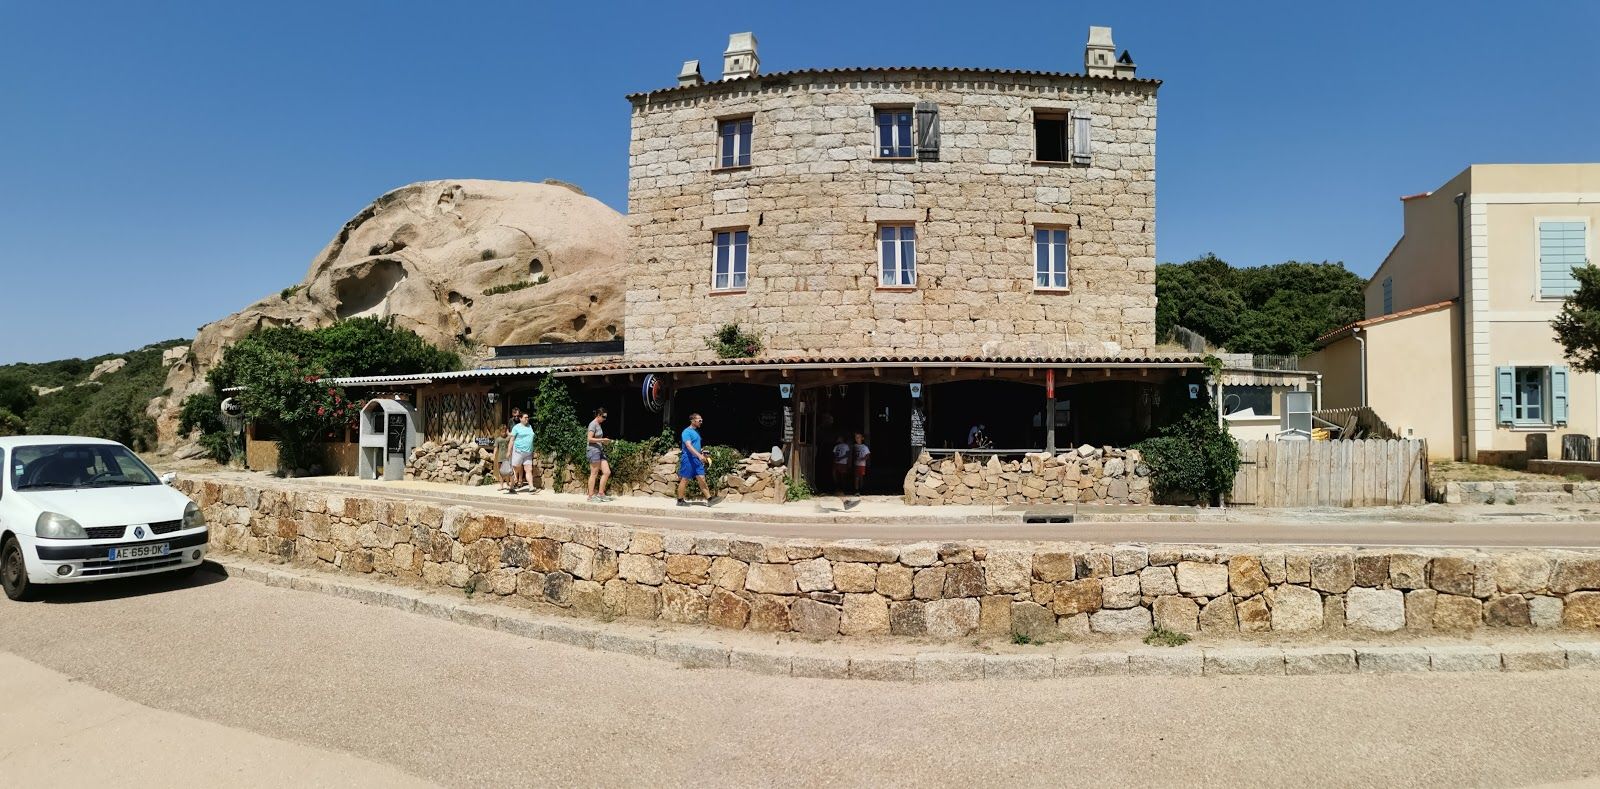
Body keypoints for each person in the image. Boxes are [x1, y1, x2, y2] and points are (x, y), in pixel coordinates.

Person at [676, 413, 721, 507]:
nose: (701, 422)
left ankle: (710, 499)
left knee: (702, 478)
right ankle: (680, 501)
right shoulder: (686, 432)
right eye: (699, 420)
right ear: (693, 421)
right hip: (688, 459)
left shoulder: (696, 432)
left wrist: (702, 452)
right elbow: (688, 446)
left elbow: (695, 446)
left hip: (697, 459)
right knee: (685, 479)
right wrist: (699, 455)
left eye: (702, 420)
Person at [586, 407, 613, 502]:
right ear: (598, 415)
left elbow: (597, 439)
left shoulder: (598, 424)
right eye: (603, 417)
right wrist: (602, 440)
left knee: (607, 472)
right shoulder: (592, 424)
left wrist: (604, 442)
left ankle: (601, 494)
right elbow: (589, 439)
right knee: (594, 473)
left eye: (606, 417)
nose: (605, 419)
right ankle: (590, 496)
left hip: (599, 451)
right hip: (593, 451)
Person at [508, 412, 535, 494]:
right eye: (525, 417)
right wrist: (509, 451)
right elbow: (512, 440)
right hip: (518, 451)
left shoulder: (530, 426)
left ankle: (531, 487)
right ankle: (511, 486)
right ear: (520, 418)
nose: (527, 419)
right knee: (516, 470)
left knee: (529, 469)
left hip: (528, 452)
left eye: (528, 417)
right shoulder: (516, 427)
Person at [852, 431, 871, 496]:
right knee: (856, 477)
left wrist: (863, 459)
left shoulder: (864, 447)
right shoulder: (854, 446)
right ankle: (856, 490)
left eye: (858, 437)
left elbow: (868, 455)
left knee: (861, 477)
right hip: (855, 464)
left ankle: (861, 489)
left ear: (862, 438)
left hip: (862, 465)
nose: (857, 439)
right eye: (856, 437)